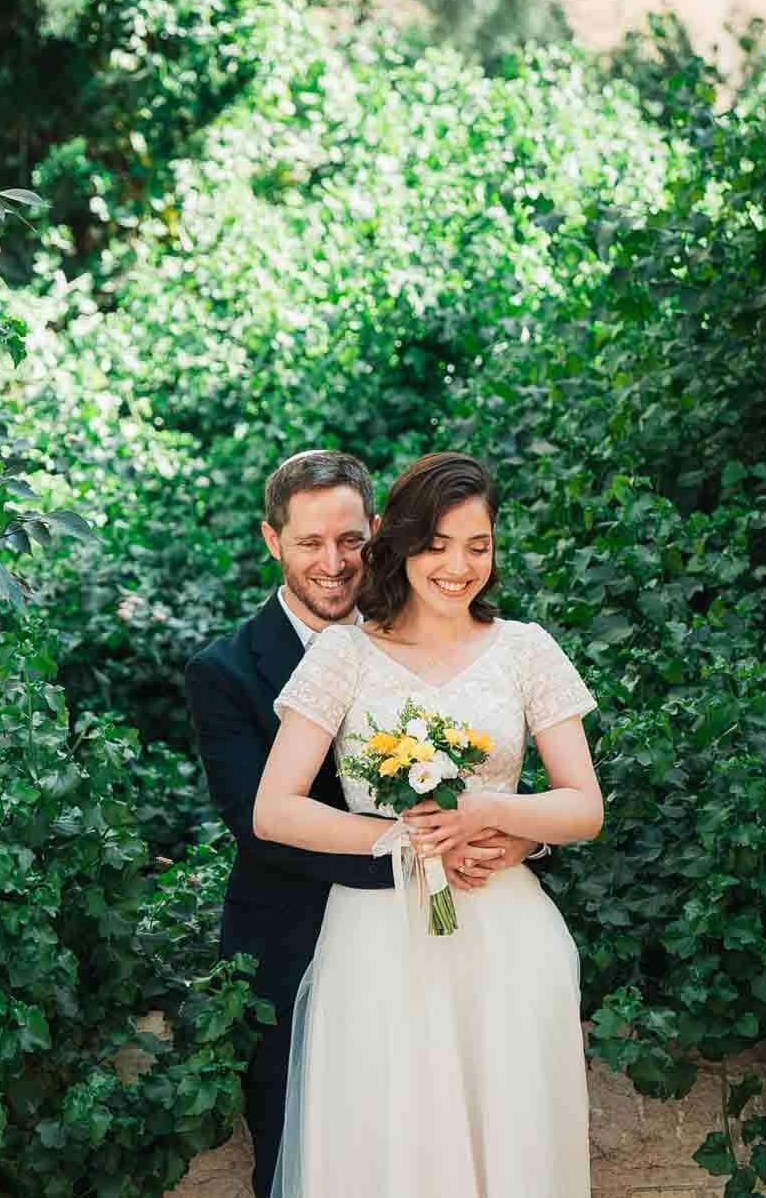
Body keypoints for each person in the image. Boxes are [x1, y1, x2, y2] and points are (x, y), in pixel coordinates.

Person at [183, 450, 542, 1198]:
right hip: (291, 945)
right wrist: (426, 851)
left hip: (449, 945)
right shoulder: (224, 671)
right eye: (310, 542)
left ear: (378, 532)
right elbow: (259, 823)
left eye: (350, 539)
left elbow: (487, 770)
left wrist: (515, 835)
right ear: (272, 540)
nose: (334, 562)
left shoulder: (429, 633)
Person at [251, 450, 603, 1196]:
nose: (459, 567)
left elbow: (584, 806)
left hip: (508, 938)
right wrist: (408, 839)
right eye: (438, 545)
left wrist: (491, 811)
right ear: (403, 543)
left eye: (478, 546)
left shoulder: (527, 650)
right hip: (380, 942)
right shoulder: (344, 655)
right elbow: (274, 809)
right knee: (391, 1147)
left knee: (510, 1143)